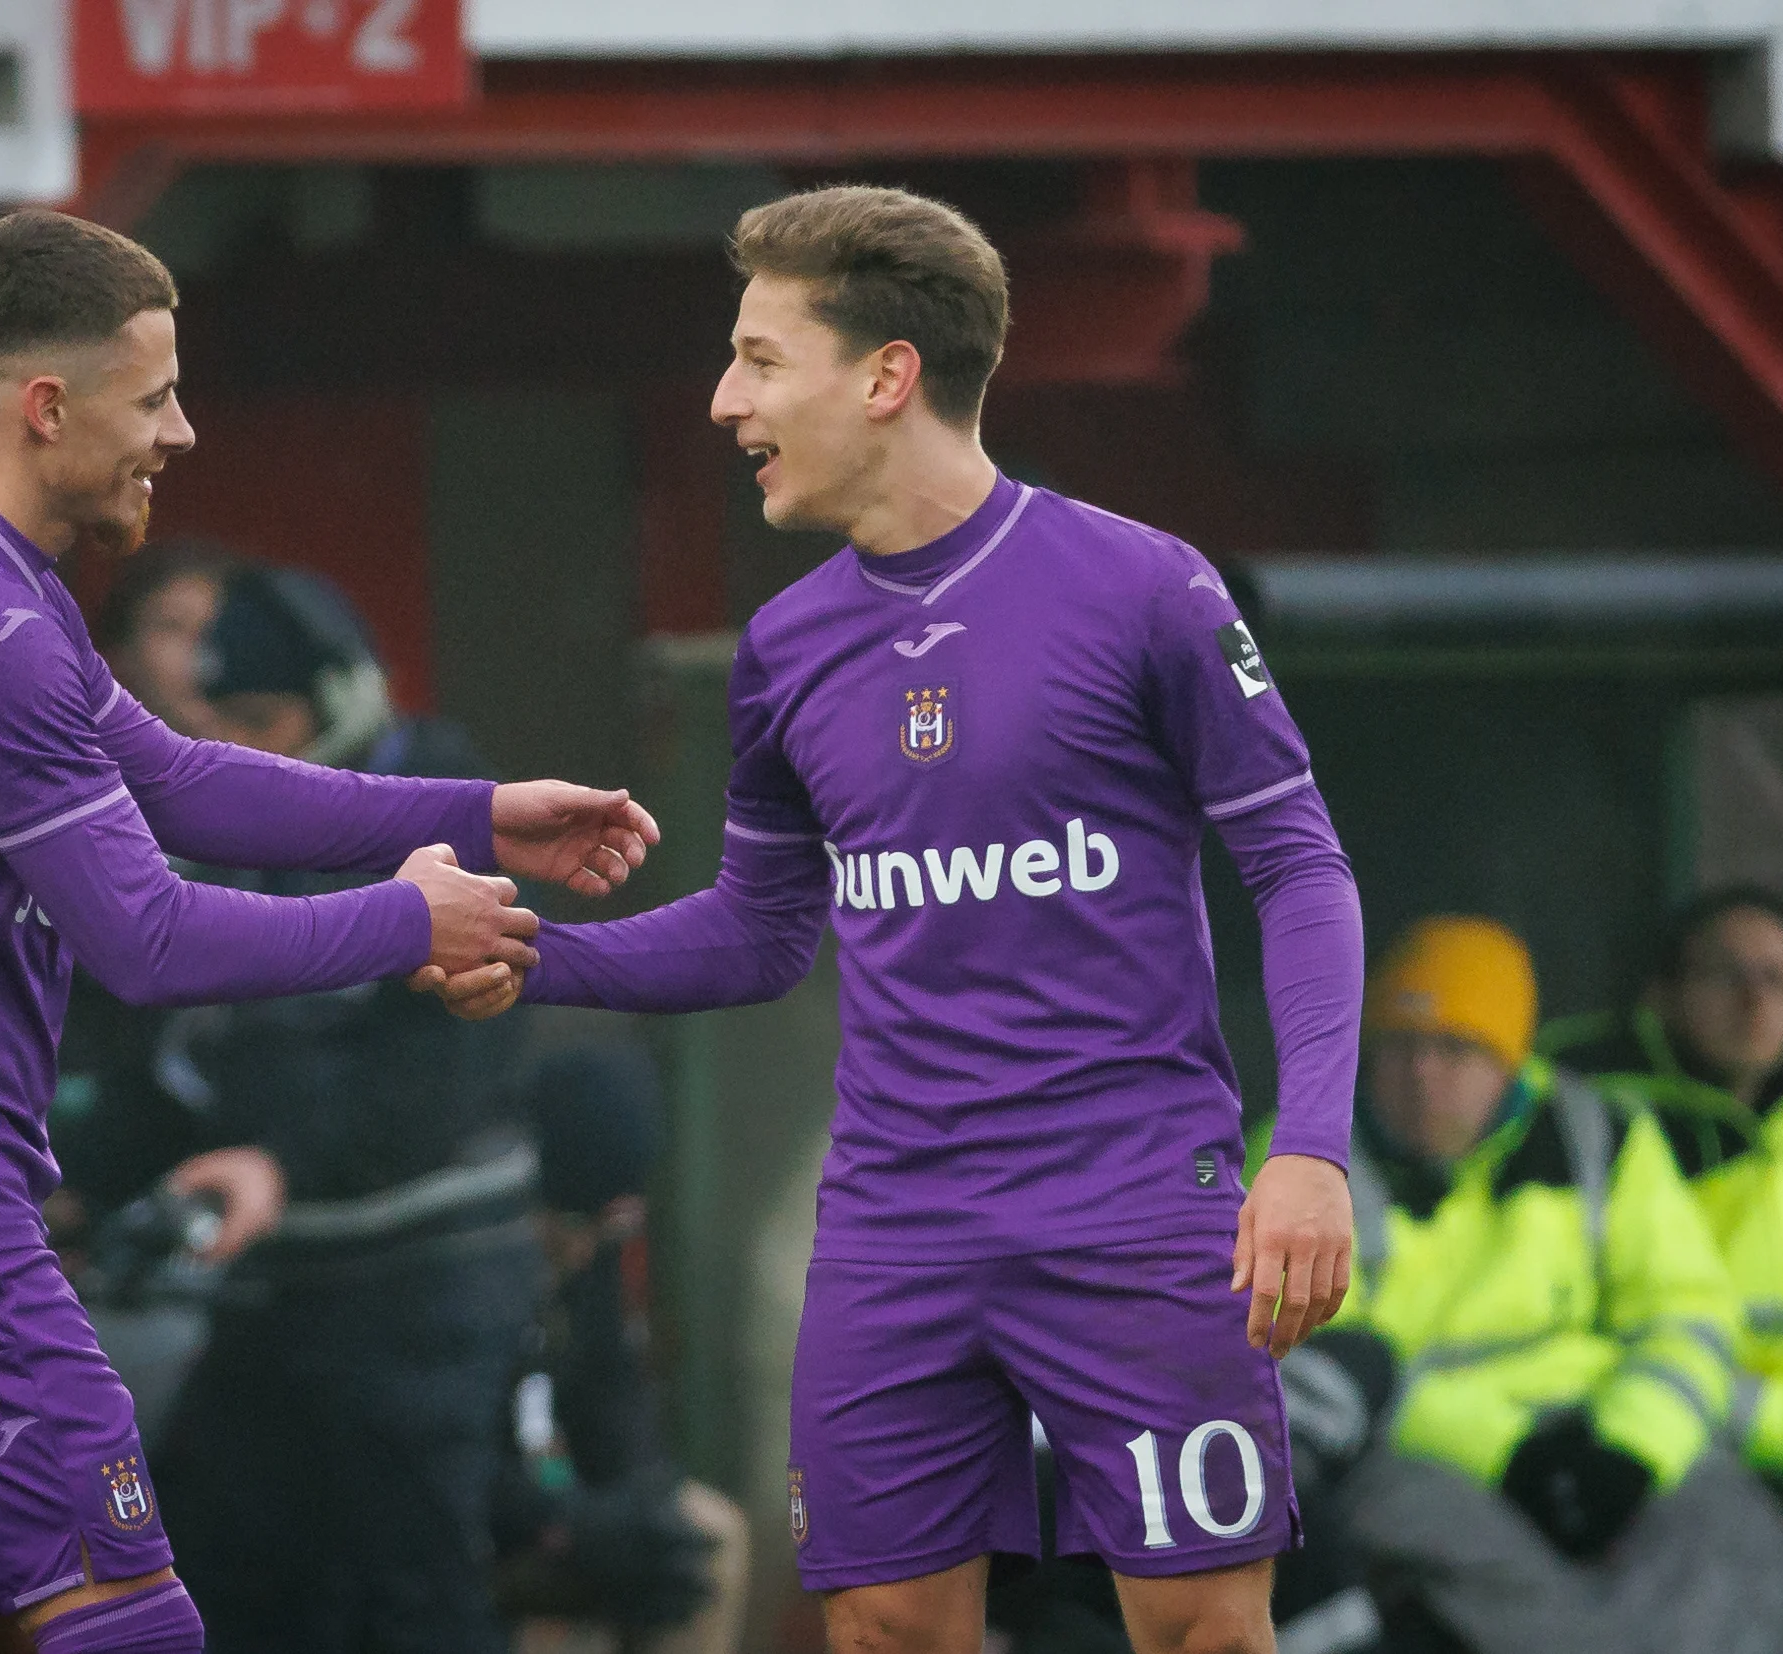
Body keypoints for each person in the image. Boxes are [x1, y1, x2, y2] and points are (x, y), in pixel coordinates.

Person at [417, 184, 1365, 1654]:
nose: (726, 400)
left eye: (757, 357)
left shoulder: (1143, 589)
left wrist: (1303, 1149)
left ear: (885, 374)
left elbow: (1300, 869)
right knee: (877, 1629)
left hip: (1127, 1207)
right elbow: (755, 931)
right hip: (894, 1225)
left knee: (1199, 1631)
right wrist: (530, 956)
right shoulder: (787, 648)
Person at [0, 207, 656, 1654]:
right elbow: (145, 939)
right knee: (131, 1629)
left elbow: (176, 778)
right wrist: (407, 916)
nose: (184, 430)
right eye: (154, 394)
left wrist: (477, 811)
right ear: (49, 405)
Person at [55, 544, 550, 1653]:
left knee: (408, 1598)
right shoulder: (218, 834)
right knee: (227, 1584)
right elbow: (172, 1057)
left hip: (420, 1299)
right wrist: (80, 1180)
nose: (245, 744)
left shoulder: (455, 827)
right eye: (225, 718)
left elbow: (438, 1073)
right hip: (267, 1301)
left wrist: (283, 1162)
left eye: (268, 717)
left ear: (339, 702)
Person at [1318, 917, 1783, 1654]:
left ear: (1507, 1063)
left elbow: (1687, 1312)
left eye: (1455, 1048)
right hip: (1422, 1453)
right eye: (1398, 1047)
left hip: (1608, 1427)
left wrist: (1631, 1449)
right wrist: (1510, 1454)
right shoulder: (1296, 1166)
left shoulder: (1596, 1135)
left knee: (1744, 1556)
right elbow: (1313, 1371)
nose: (1421, 1073)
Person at [1549, 891, 1783, 1567]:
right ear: (1662, 996)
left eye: (1776, 980)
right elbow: (1650, 1341)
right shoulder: (1598, 1130)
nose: (1755, 1000)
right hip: (1658, 1443)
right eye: (1728, 976)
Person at [491, 1046, 749, 1654]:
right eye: (572, 1228)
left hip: (552, 1503)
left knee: (704, 1542)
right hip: (478, 1524)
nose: (581, 1251)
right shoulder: (481, 1257)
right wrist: (569, 1525)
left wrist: (641, 1499)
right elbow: (453, 1455)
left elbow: (612, 1394)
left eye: (604, 1231)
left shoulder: (592, 1255)